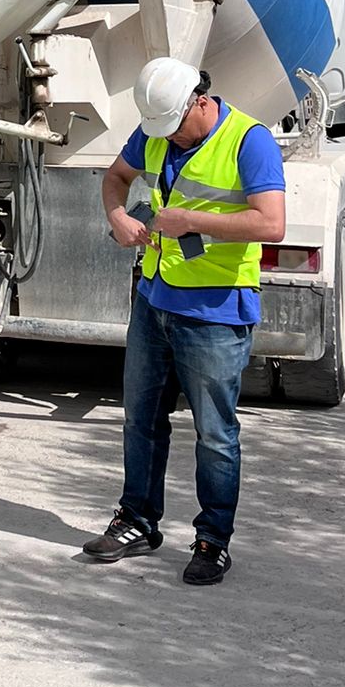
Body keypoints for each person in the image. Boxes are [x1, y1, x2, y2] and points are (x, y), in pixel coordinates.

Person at [86, 57, 285, 587]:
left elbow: (273, 222)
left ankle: (211, 542)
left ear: (201, 100)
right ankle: (137, 522)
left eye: (175, 125)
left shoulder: (250, 140)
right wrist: (118, 217)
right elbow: (115, 178)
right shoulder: (155, 130)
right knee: (139, 420)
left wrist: (191, 220)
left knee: (215, 435)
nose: (168, 137)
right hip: (154, 302)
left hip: (215, 313)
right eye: (161, 129)